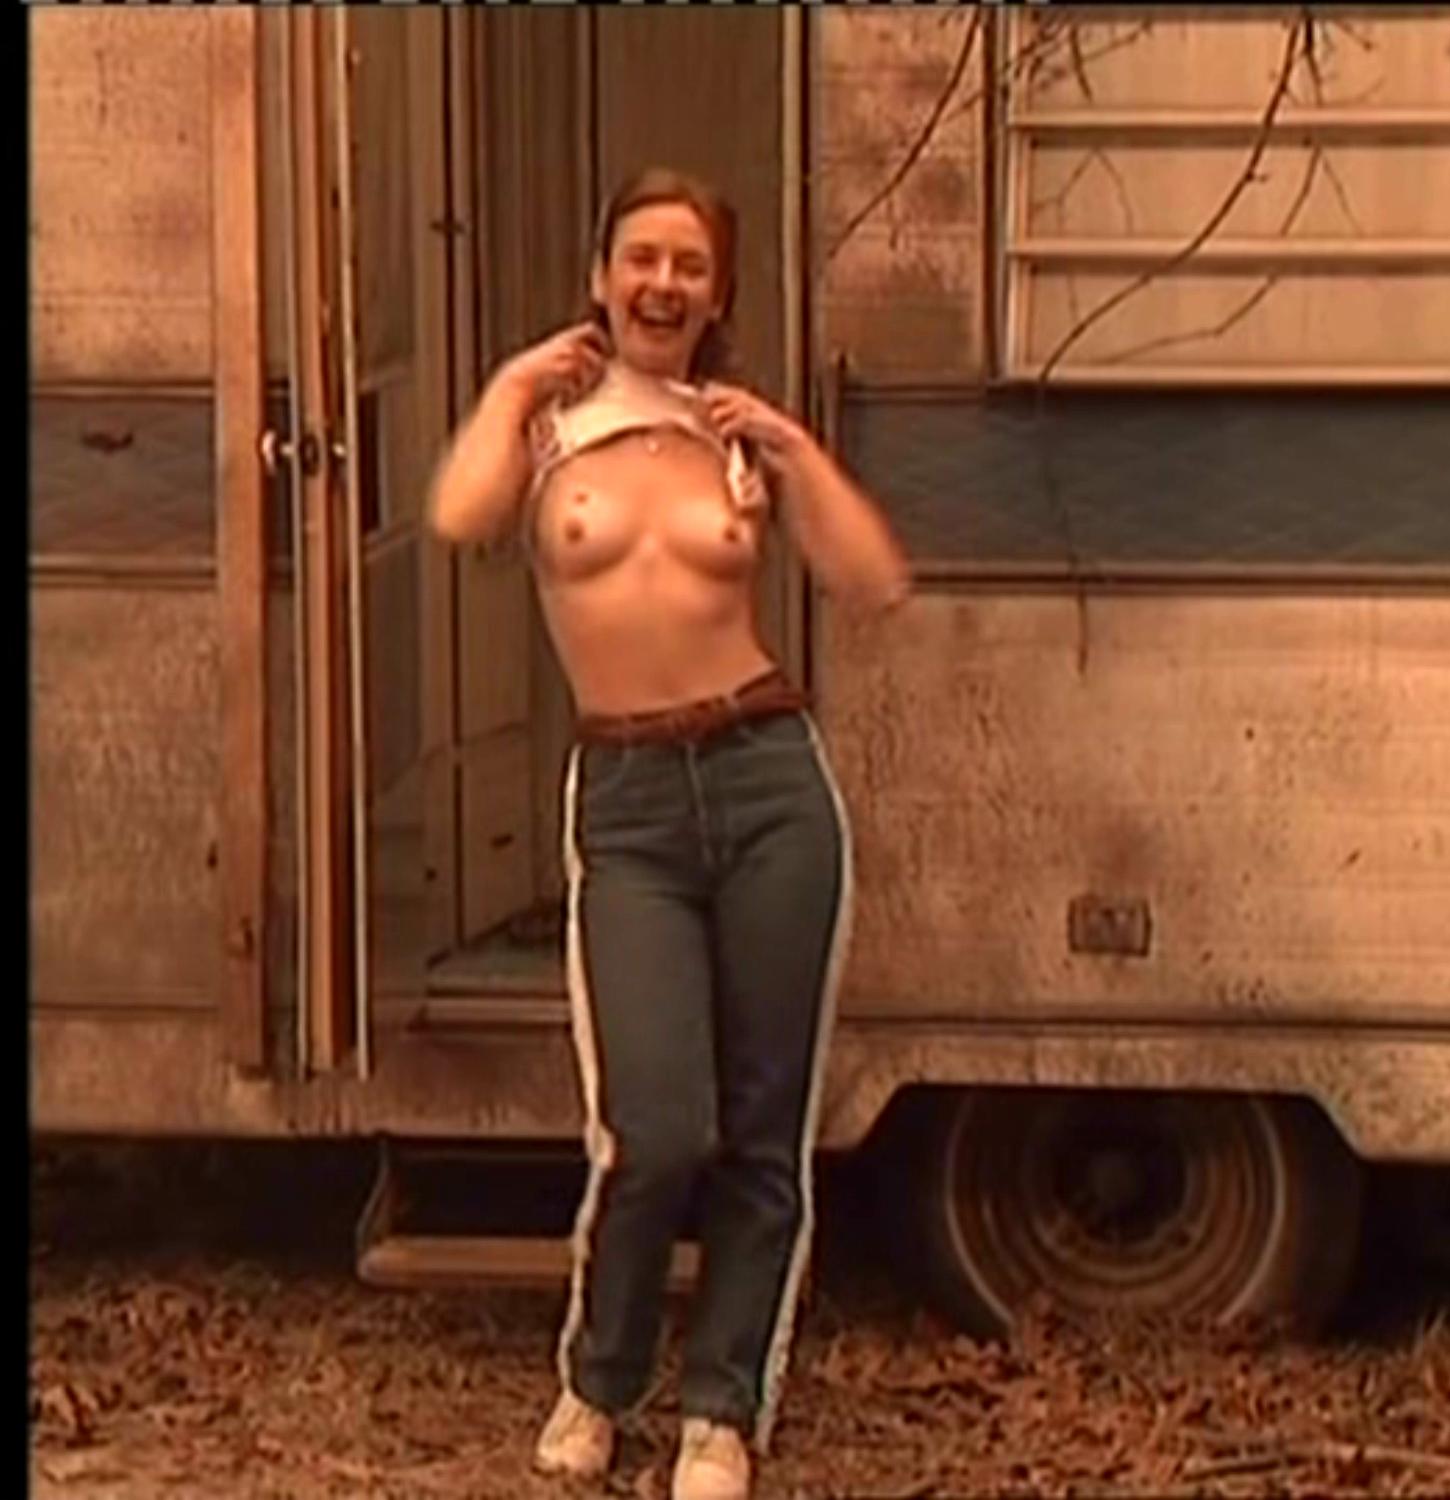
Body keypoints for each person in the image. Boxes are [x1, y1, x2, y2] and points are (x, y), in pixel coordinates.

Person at [427, 166, 909, 1500]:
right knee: (654, 1126)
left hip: (769, 781)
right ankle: (599, 1381)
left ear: (716, 293)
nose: (663, 282)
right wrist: (511, 387)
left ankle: (721, 1415)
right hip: (631, 801)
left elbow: (874, 581)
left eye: (690, 264)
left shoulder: (736, 435)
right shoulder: (549, 429)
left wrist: (796, 449)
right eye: (641, 257)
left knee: (764, 1130)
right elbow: (458, 517)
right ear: (603, 275)